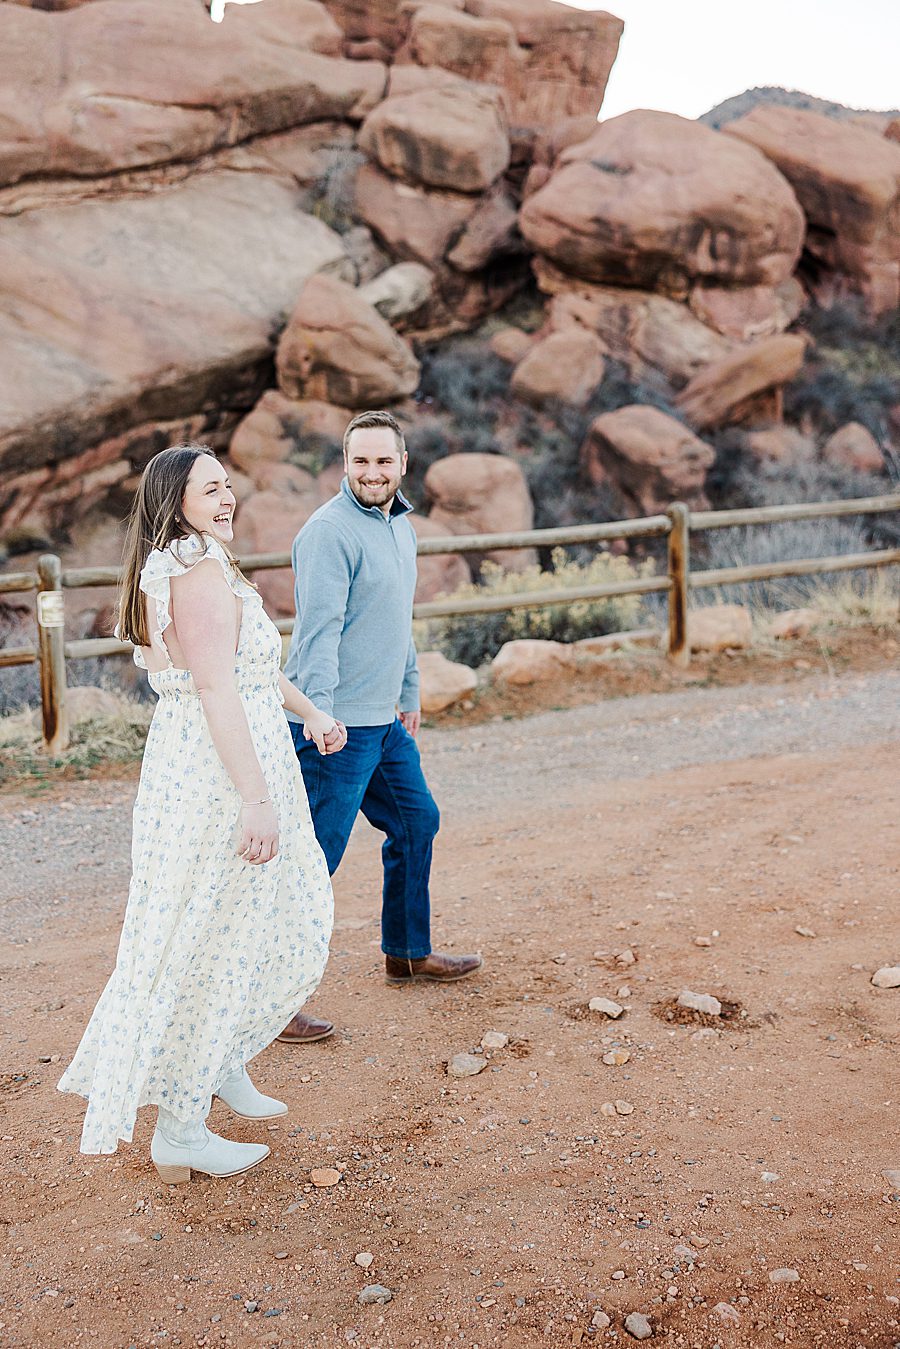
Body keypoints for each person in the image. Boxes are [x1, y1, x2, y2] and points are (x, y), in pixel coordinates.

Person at [58, 444, 344, 1182]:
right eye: (209, 488)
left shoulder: (189, 561)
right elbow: (217, 690)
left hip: (215, 757)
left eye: (226, 484)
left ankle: (220, 1063)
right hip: (221, 772)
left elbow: (249, 672)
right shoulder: (198, 570)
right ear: (174, 500)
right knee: (215, 932)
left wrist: (310, 712)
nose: (227, 496)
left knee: (241, 921)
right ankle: (182, 1128)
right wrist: (255, 797)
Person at [277, 410, 482, 1045]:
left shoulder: (401, 528)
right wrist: (319, 715)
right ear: (345, 464)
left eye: (383, 461)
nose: (372, 472)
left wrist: (409, 687)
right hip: (334, 726)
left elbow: (397, 618)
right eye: (360, 461)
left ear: (402, 465)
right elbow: (317, 634)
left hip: (383, 720)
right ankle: (270, 999)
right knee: (312, 863)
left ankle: (407, 952)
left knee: (417, 821)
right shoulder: (328, 533)